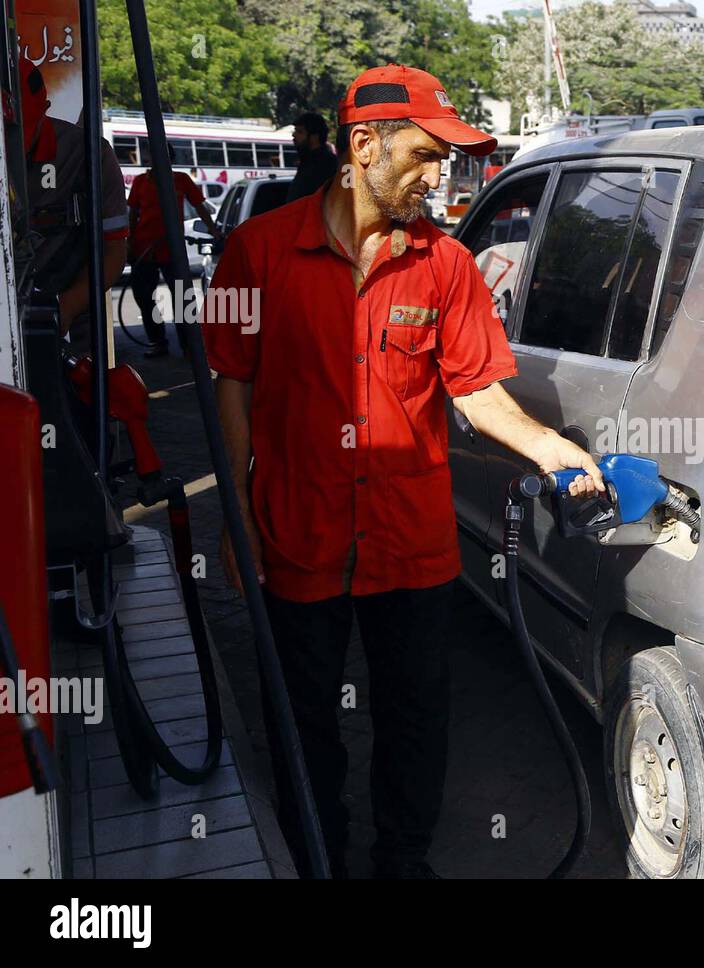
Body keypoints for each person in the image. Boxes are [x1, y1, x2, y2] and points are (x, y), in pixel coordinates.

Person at [202, 64, 603, 879]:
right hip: (297, 535)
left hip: (408, 546)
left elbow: (477, 393)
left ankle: (403, 861)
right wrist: (236, 518)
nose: (438, 177)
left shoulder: (446, 266)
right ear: (363, 146)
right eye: (424, 156)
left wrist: (550, 447)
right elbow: (231, 386)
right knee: (304, 720)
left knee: (415, 718)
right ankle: (319, 855)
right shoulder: (256, 252)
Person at [9, 62, 128, 358]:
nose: (11, 146)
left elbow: (113, 251)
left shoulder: (89, 156)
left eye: (18, 133)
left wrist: (66, 309)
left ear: (45, 109)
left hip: (69, 312)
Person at [127, 150, 222, 356]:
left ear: (168, 158)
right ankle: (158, 342)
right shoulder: (141, 182)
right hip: (144, 250)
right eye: (150, 156)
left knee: (182, 297)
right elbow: (132, 214)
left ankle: (189, 346)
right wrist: (129, 244)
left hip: (172, 249)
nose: (151, 159)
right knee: (144, 297)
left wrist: (213, 230)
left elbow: (199, 206)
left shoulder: (181, 180)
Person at [286, 111, 337, 202]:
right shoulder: (307, 161)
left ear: (314, 137)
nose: (294, 135)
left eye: (300, 132)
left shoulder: (326, 165)